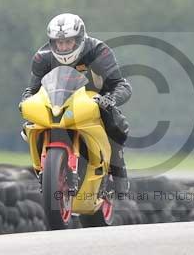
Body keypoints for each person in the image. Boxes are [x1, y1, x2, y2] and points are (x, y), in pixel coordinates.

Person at [20, 13, 132, 193]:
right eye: (59, 43)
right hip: (57, 102)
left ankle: (118, 172)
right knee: (29, 126)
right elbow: (32, 90)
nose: (63, 47)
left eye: (68, 42)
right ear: (52, 42)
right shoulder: (42, 57)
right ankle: (44, 170)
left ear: (80, 39)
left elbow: (121, 85)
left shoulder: (98, 51)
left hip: (95, 100)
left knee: (115, 123)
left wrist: (109, 100)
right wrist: (26, 101)